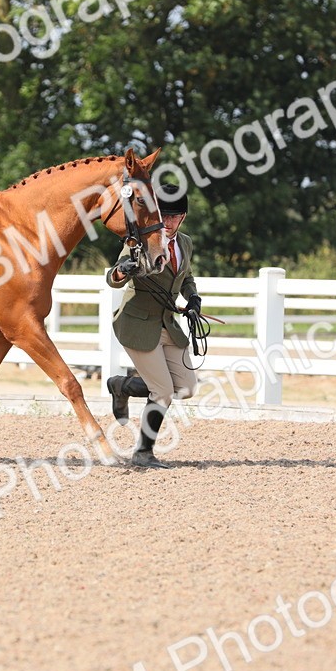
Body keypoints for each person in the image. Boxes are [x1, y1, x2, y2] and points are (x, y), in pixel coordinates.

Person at [105, 183, 201, 469]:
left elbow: (186, 278)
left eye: (175, 217)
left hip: (167, 325)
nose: (169, 222)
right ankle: (143, 452)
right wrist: (123, 270)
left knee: (186, 388)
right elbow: (114, 275)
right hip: (136, 323)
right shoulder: (142, 242)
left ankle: (122, 386)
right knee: (162, 391)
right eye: (165, 216)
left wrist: (193, 298)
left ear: (182, 217)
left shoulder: (185, 243)